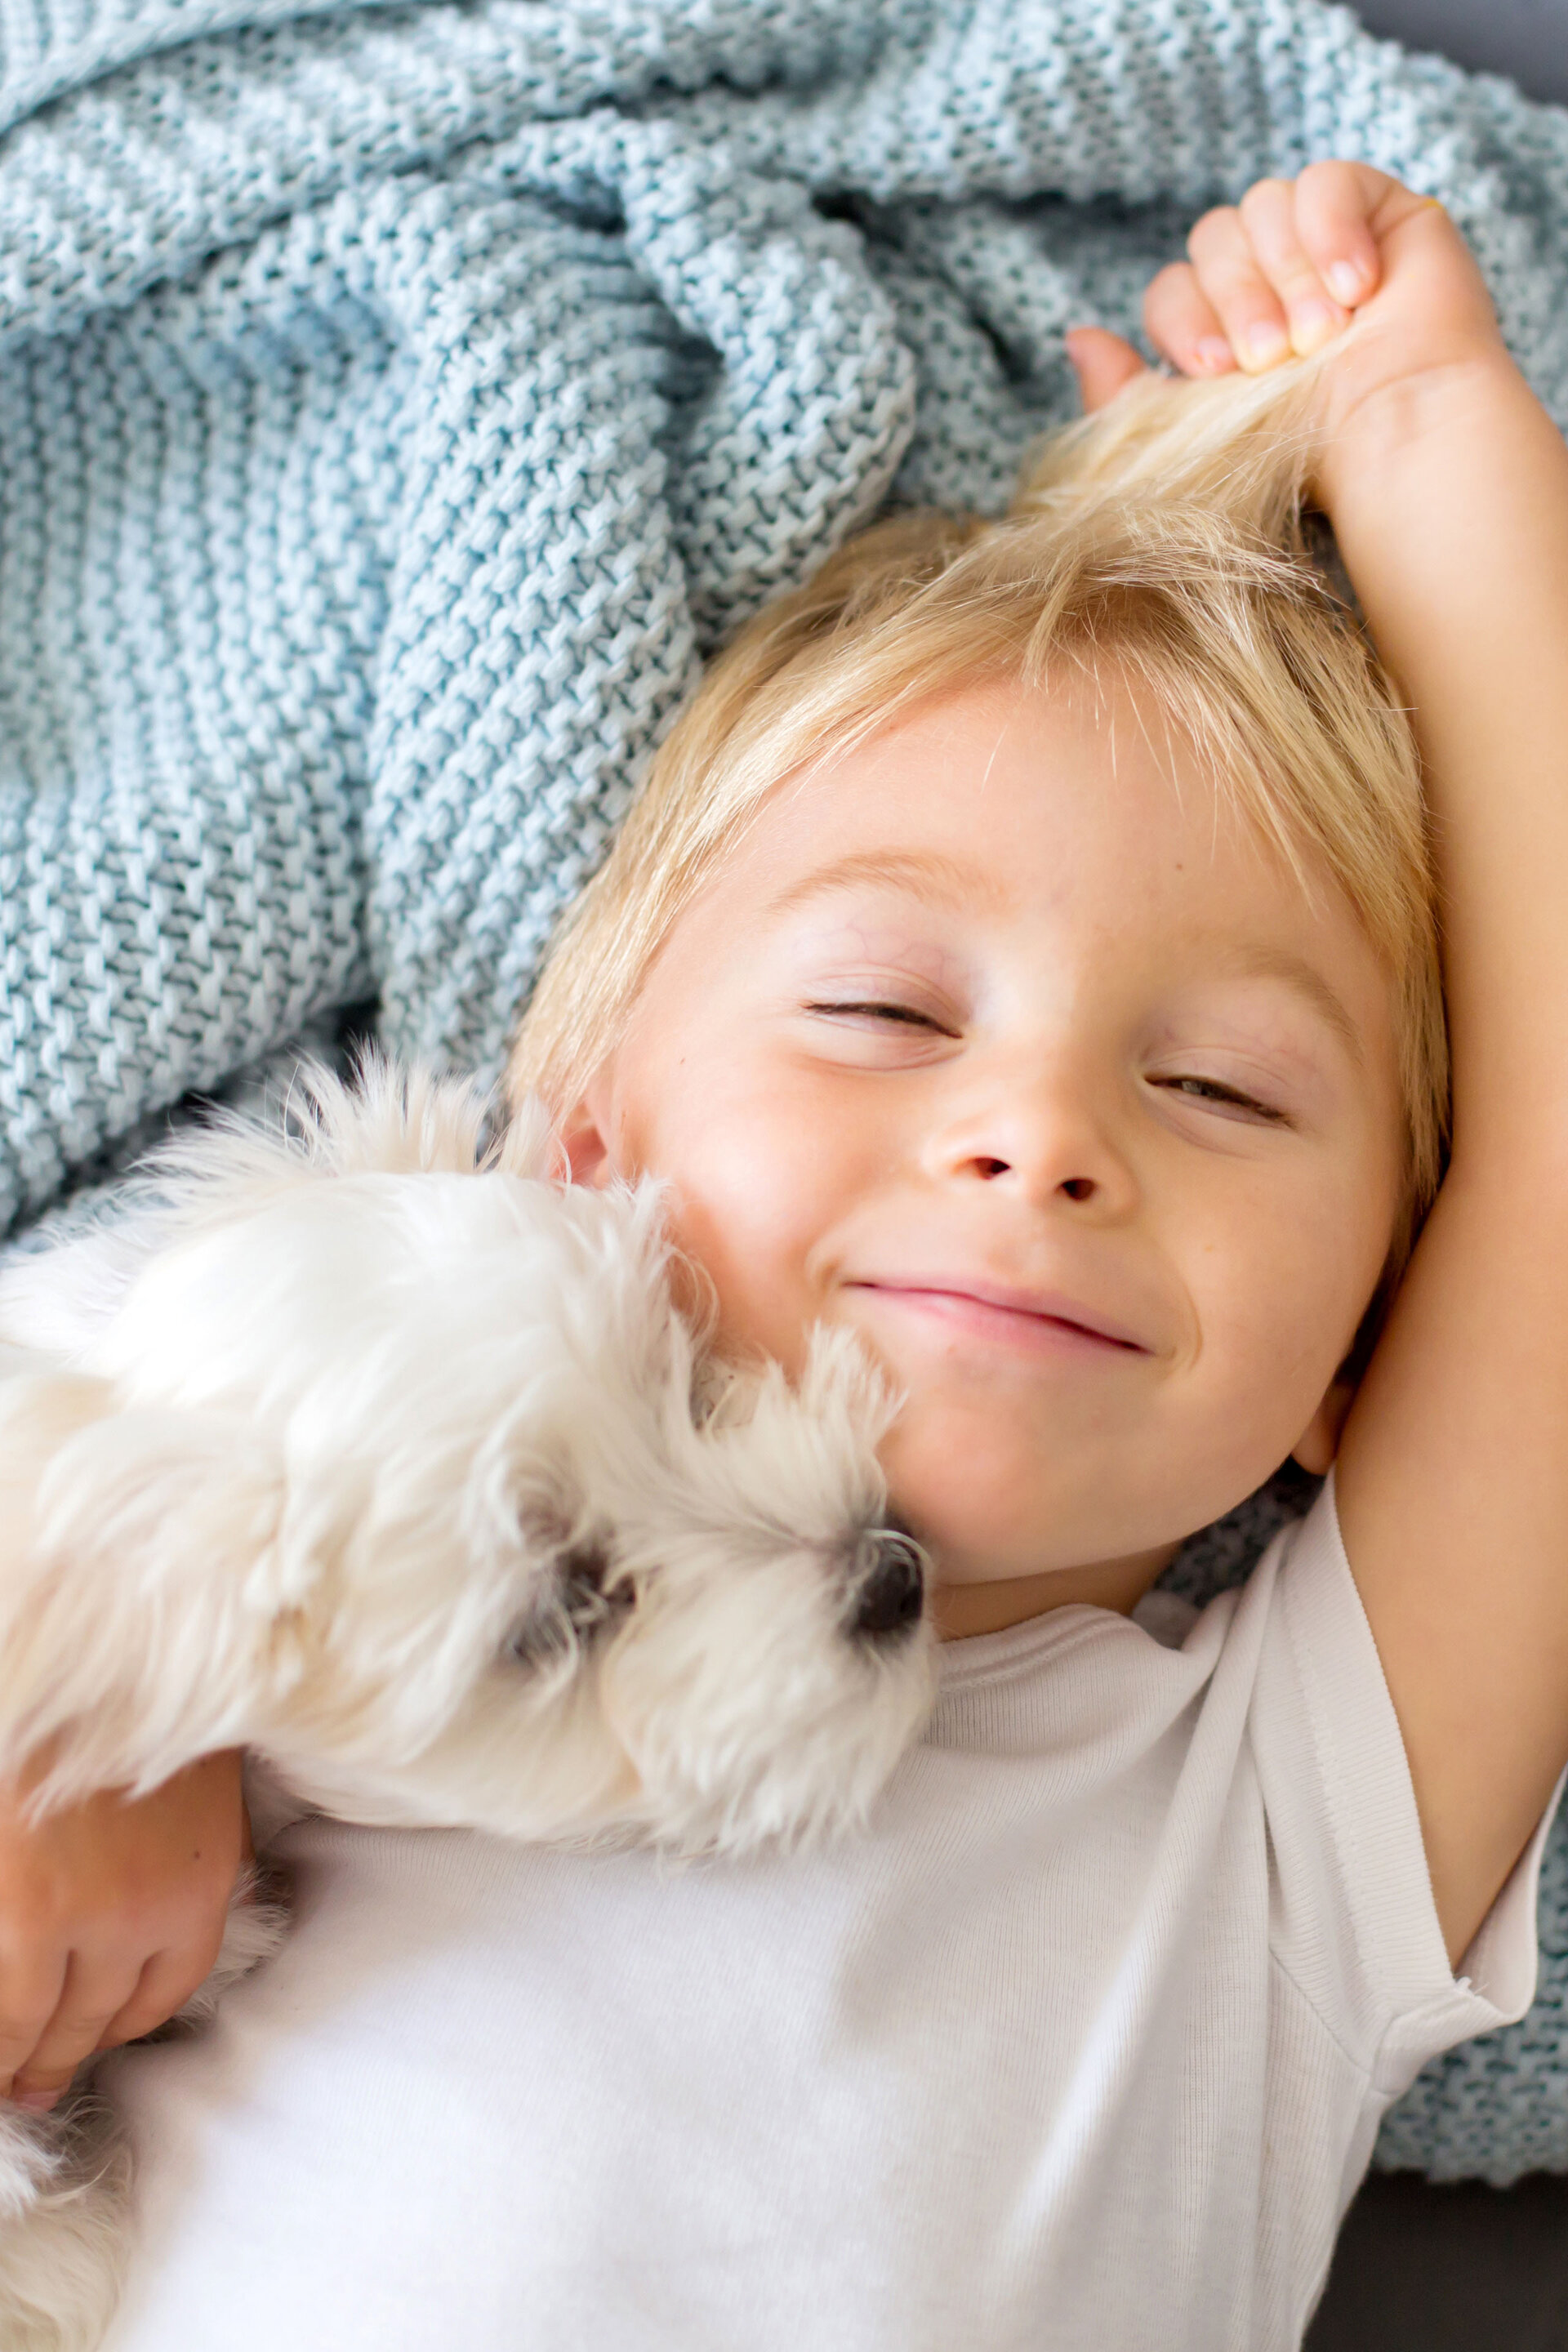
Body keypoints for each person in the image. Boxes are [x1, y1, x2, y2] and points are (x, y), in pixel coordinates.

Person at [3, 163, 1567, 2351]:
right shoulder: (347, 1523)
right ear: (586, 1148)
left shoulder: (1283, 1818)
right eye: (886, 1013)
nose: (1040, 1139)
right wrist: (72, 1735)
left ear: (1368, 1348)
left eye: (1221, 1086)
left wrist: (1429, 444)